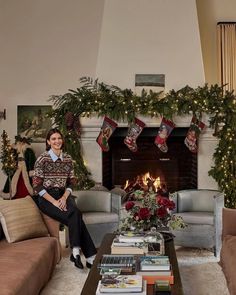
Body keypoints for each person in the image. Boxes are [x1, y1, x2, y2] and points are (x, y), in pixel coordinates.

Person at [32, 128, 97, 269]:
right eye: (53, 139)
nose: (57, 141)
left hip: (64, 195)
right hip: (46, 198)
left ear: (62, 140)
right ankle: (88, 255)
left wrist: (64, 197)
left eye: (59, 138)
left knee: (76, 214)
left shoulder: (67, 159)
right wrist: (55, 201)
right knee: (76, 214)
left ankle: (77, 253)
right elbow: (37, 187)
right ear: (48, 142)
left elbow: (71, 182)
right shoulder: (42, 159)